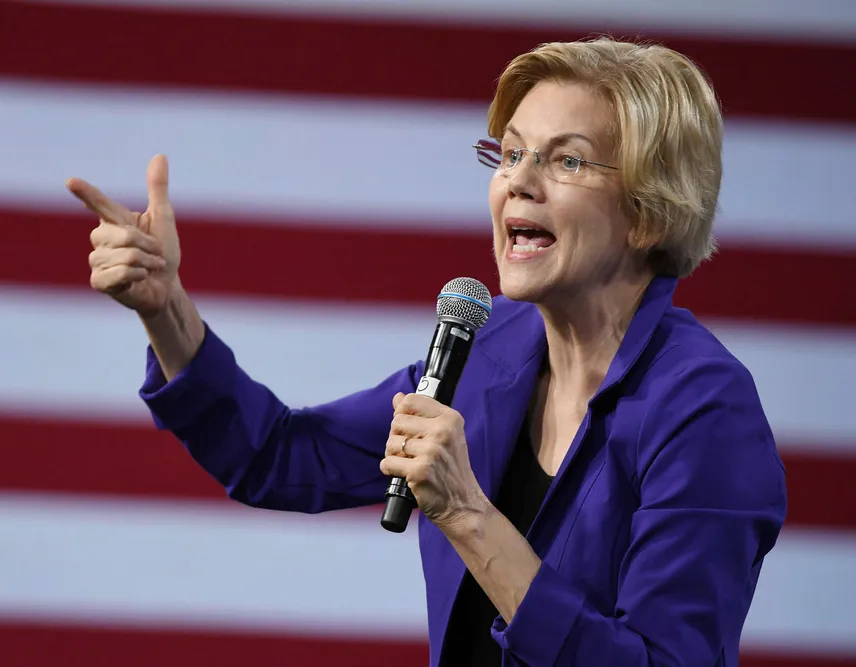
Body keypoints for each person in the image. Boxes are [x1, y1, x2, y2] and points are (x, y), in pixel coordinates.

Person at [66, 36, 787, 667]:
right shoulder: (491, 352)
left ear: (649, 212)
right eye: (510, 154)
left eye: (566, 160)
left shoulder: (703, 409)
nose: (518, 181)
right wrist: (166, 309)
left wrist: (468, 514)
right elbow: (279, 457)